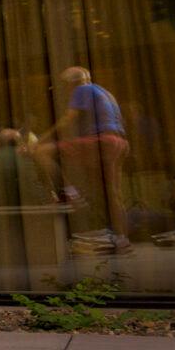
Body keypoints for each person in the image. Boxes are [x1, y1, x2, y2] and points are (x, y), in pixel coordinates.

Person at [46, 66, 129, 244]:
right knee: (112, 193)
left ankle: (70, 194)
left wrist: (41, 139)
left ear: (71, 83)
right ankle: (121, 237)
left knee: (42, 151)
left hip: (102, 141)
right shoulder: (105, 92)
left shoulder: (82, 89)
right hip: (119, 142)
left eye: (63, 85)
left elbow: (68, 119)